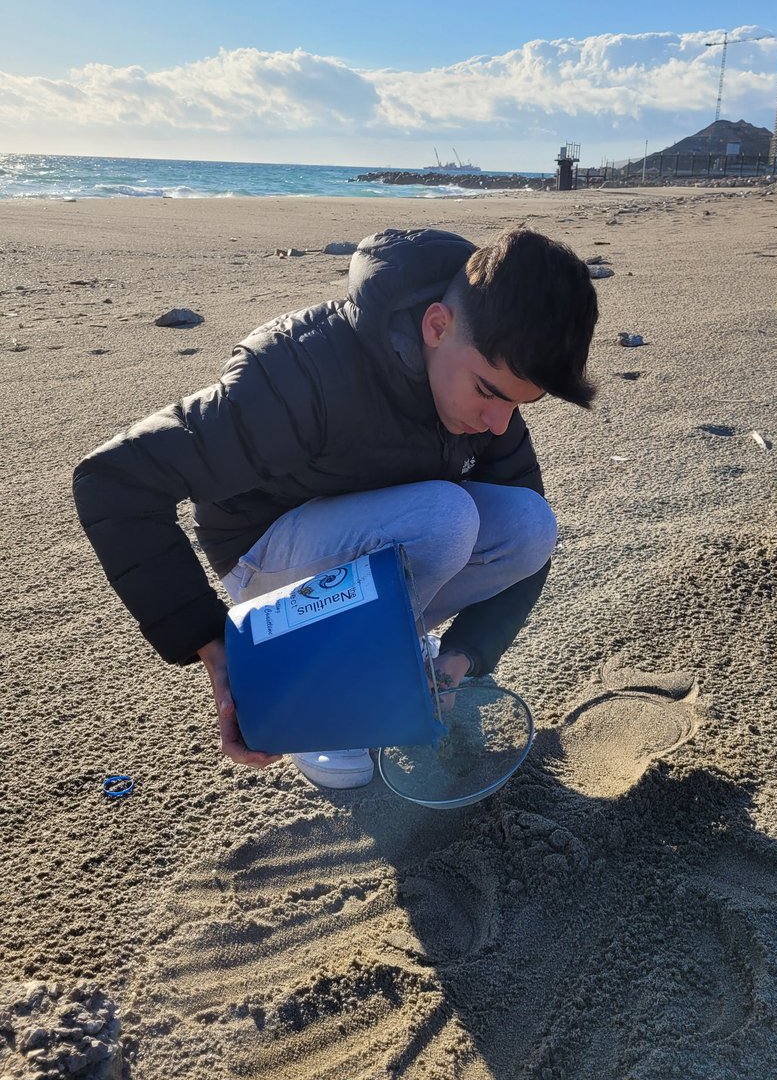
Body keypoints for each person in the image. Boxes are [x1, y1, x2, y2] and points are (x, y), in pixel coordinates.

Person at [73, 226, 599, 788]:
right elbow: (113, 481)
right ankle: (318, 677)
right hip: (265, 551)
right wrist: (217, 647)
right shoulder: (302, 371)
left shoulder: (488, 395)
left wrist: (460, 660)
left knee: (529, 524)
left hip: (380, 539)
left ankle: (400, 656)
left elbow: (524, 543)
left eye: (520, 405)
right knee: (447, 518)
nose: (498, 424)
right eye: (490, 393)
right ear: (437, 326)